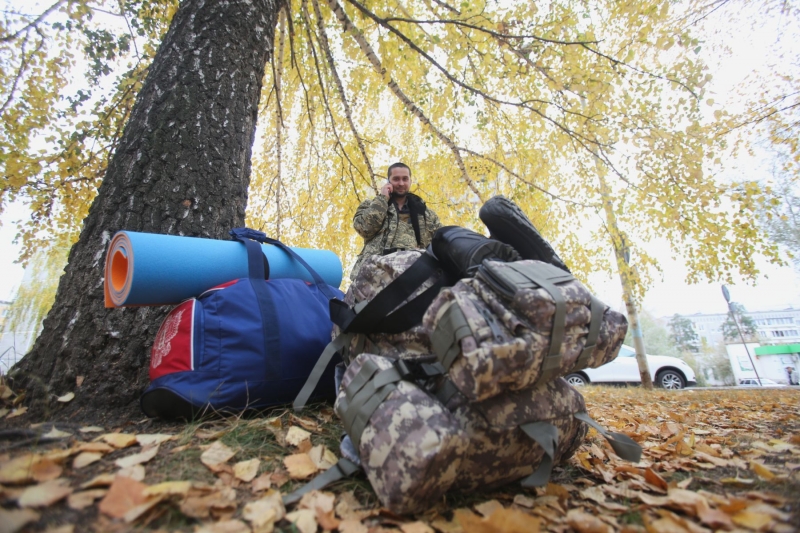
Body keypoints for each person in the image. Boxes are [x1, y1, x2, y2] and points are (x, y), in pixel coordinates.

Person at [350, 162, 442, 280]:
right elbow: (364, 228)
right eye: (396, 179)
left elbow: (441, 242)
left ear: (410, 181)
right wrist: (382, 199)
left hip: (411, 277)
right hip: (373, 276)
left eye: (405, 179)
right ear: (388, 181)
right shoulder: (371, 205)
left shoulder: (426, 214)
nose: (401, 183)